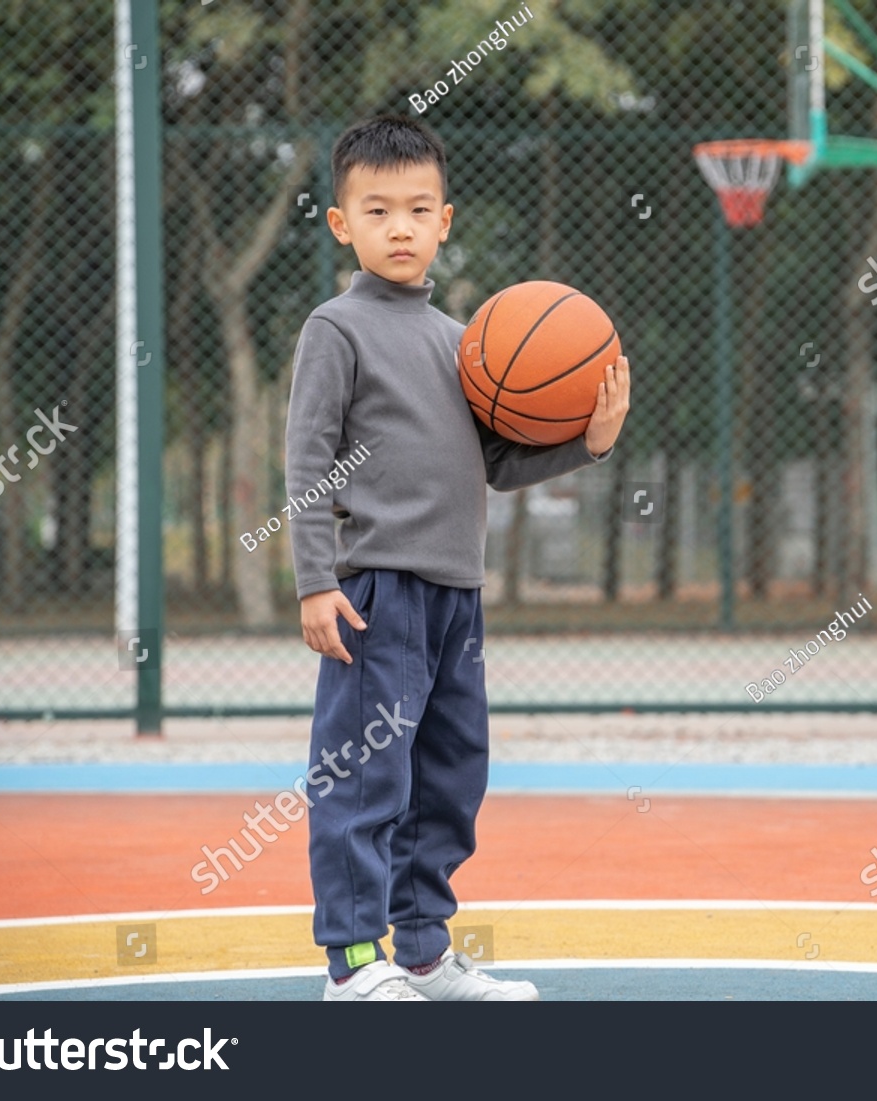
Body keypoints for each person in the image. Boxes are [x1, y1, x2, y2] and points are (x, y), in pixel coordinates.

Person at [284, 113, 630, 1001]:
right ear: (340, 223)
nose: (399, 227)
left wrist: (588, 444)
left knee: (448, 775)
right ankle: (354, 964)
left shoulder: (468, 343)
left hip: (455, 599)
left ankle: (425, 951)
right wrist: (316, 580)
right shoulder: (336, 328)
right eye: (377, 210)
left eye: (417, 209)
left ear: (445, 220)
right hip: (373, 593)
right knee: (367, 776)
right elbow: (308, 462)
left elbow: (499, 462)